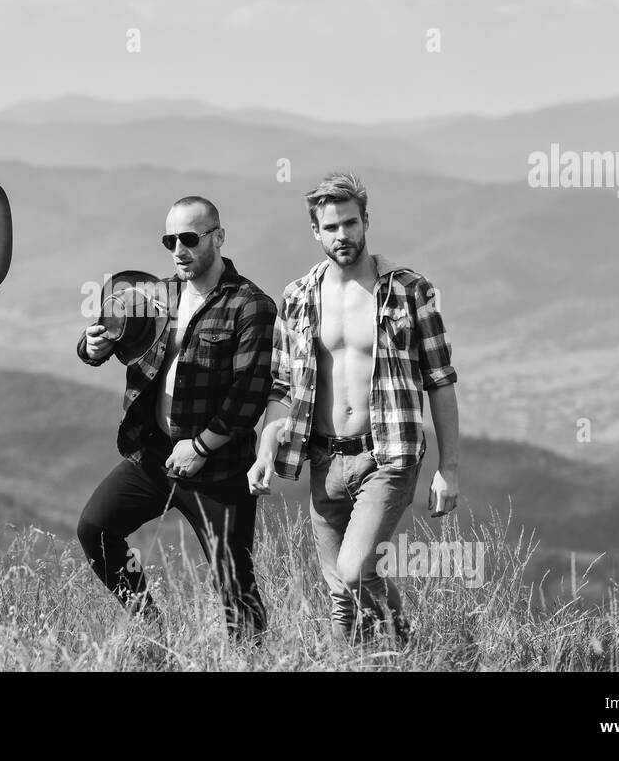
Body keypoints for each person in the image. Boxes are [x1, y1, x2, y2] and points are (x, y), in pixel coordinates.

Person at [249, 171, 460, 645]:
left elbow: (441, 380)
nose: (342, 236)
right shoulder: (299, 297)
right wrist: (265, 452)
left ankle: (405, 650)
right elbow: (283, 386)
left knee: (352, 569)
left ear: (366, 222)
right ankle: (349, 661)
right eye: (331, 227)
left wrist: (450, 468)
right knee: (340, 596)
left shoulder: (407, 290)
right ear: (315, 232)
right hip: (324, 458)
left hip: (386, 455)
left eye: (350, 224)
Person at [75, 196, 276, 645]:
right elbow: (111, 340)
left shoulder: (251, 305)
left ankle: (252, 659)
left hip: (219, 469)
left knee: (234, 584)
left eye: (190, 238)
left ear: (218, 237)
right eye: (171, 240)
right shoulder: (155, 296)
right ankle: (150, 625)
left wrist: (202, 446)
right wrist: (91, 347)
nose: (179, 249)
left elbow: (250, 393)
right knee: (96, 529)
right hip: (153, 456)